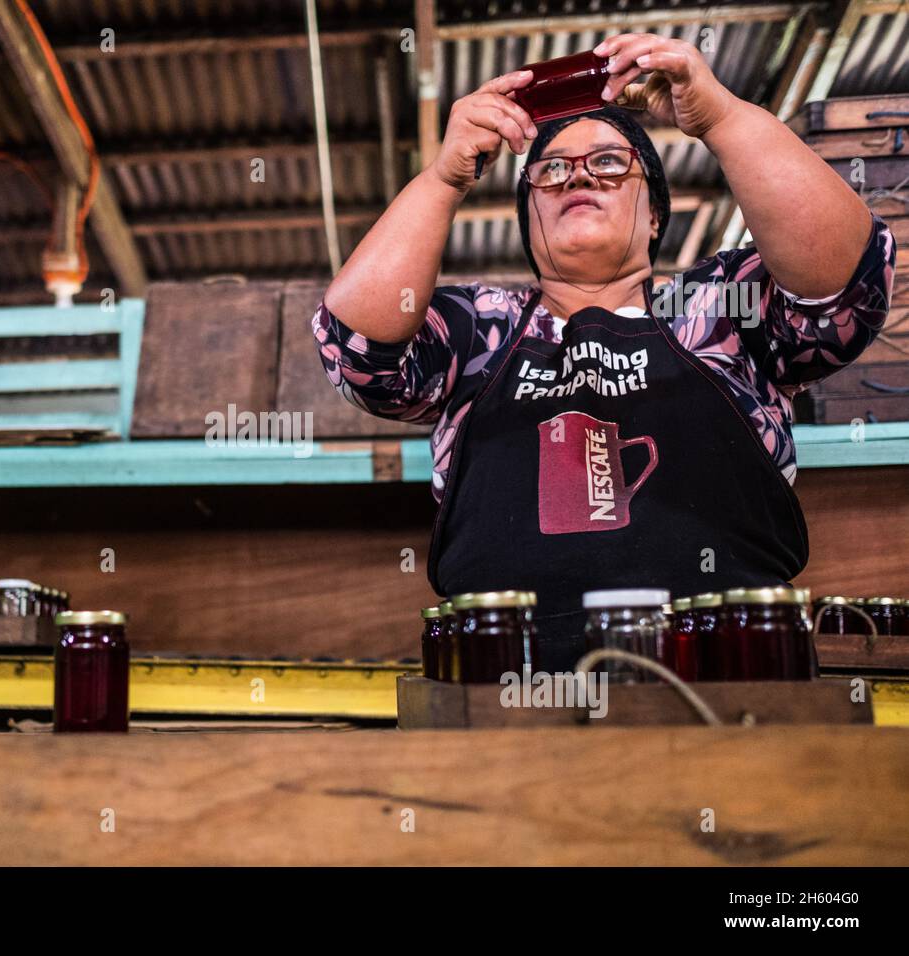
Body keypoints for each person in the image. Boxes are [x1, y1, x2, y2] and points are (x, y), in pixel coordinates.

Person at [313, 33, 897, 670]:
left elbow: (846, 286)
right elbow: (356, 351)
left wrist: (721, 117)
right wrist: (444, 177)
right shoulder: (480, 331)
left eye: (611, 163)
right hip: (504, 691)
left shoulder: (715, 311)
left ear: (654, 214)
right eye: (552, 170)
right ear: (528, 216)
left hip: (732, 680)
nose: (580, 176)